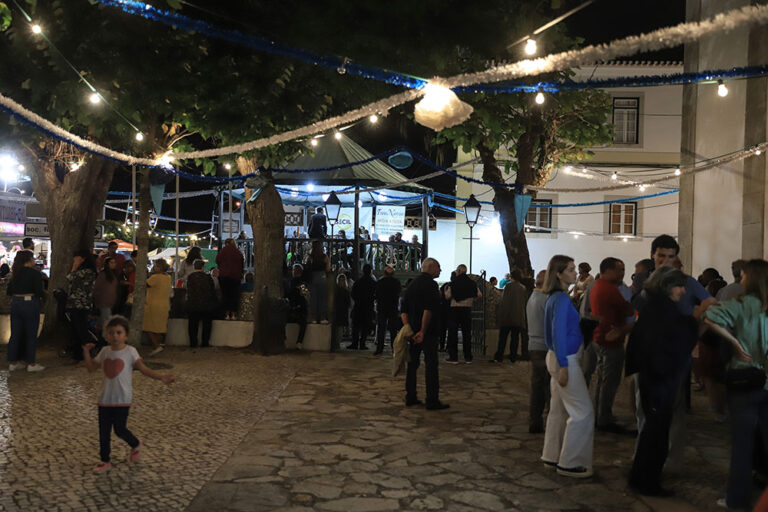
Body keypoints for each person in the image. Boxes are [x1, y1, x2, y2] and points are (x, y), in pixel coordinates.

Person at [625, 267, 699, 496]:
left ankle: (640, 477)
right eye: (678, 285)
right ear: (666, 285)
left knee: (652, 430)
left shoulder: (652, 304)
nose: (683, 290)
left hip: (654, 376)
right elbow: (672, 340)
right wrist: (695, 322)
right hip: (659, 378)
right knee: (656, 433)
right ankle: (647, 482)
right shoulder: (661, 308)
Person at [703, 259, 768, 509]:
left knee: (742, 445)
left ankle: (737, 500)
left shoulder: (741, 305)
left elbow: (710, 317)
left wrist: (735, 342)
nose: (740, 279)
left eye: (744, 276)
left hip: (745, 380)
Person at [82, 315, 175, 474]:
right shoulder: (104, 352)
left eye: (119, 332)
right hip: (104, 399)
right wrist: (86, 353)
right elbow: (91, 369)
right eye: (111, 333)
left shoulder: (130, 351)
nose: (115, 336)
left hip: (122, 399)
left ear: (126, 335)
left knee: (119, 429)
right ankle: (105, 461)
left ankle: (135, 444)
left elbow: (143, 369)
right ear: (107, 335)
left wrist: (161, 377)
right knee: (103, 433)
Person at [541, 255, 594, 479]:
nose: (575, 273)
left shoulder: (554, 298)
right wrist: (563, 365)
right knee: (583, 412)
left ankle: (552, 455)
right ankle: (570, 463)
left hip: (556, 356)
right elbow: (558, 333)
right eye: (570, 269)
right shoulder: (561, 300)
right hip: (566, 358)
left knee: (559, 410)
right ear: (559, 274)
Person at [589, 257, 635, 433]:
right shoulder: (609, 289)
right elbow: (628, 309)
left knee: (602, 380)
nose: (622, 273)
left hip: (601, 338)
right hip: (610, 339)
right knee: (609, 381)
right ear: (607, 270)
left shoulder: (597, 285)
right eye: (619, 269)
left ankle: (601, 414)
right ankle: (604, 418)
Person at [402, 258, 448, 410]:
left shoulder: (412, 284)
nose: (440, 271)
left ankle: (410, 396)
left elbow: (404, 311)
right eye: (439, 267)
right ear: (431, 267)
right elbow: (428, 310)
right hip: (427, 332)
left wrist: (408, 329)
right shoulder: (431, 285)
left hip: (413, 332)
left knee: (412, 364)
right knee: (431, 365)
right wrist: (422, 331)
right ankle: (432, 400)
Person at [6, 251, 45, 372]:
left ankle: (13, 362)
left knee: (15, 333)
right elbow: (39, 291)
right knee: (31, 334)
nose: (34, 260)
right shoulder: (35, 273)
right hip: (30, 303)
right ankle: (31, 363)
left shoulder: (15, 273)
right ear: (28, 259)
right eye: (32, 258)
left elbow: (9, 291)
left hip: (15, 303)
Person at [526, 270, 550, 433]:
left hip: (534, 345)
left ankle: (535, 420)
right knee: (549, 387)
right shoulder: (545, 299)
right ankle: (552, 422)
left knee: (538, 386)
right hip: (544, 346)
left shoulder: (533, 298)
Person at [66, 250, 97, 362]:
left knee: (80, 328)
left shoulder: (87, 272)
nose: (74, 260)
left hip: (80, 304)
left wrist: (75, 266)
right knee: (76, 328)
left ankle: (84, 352)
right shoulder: (86, 271)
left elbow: (70, 277)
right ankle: (78, 354)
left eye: (76, 258)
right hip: (77, 303)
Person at [446, 264, 481, 364]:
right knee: (467, 333)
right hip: (467, 310)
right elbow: (479, 295)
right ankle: (468, 357)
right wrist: (471, 299)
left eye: (457, 270)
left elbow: (448, 296)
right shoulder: (472, 283)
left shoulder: (453, 283)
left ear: (459, 271)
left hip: (455, 310)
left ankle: (454, 357)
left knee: (453, 334)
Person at [494, 269, 528, 363]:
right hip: (518, 317)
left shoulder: (508, 287)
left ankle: (499, 356)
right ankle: (513, 357)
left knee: (503, 338)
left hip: (507, 317)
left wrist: (500, 316)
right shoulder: (523, 288)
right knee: (515, 338)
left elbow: (503, 302)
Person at [143, 259, 171, 356]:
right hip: (164, 305)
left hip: (153, 305)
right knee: (159, 328)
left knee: (148, 327)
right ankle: (158, 345)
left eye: (155, 266)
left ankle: (156, 346)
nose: (154, 268)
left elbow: (145, 284)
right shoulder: (168, 277)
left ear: (159, 267)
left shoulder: (155, 277)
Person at [186, 259, 217, 348]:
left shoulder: (190, 277)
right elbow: (212, 291)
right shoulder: (208, 277)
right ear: (203, 267)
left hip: (193, 304)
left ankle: (193, 343)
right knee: (207, 325)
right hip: (206, 304)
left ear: (194, 267)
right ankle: (205, 342)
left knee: (193, 325)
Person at [374, 266, 401, 355]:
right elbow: (398, 293)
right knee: (393, 330)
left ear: (384, 273)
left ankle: (379, 348)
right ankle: (394, 349)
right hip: (392, 308)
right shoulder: (396, 282)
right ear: (393, 274)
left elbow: (376, 295)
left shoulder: (380, 282)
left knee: (381, 329)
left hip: (382, 308)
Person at [216, 238, 244, 320]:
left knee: (225, 295)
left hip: (224, 277)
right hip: (235, 277)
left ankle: (226, 313)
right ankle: (234, 314)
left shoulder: (223, 251)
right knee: (234, 296)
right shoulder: (238, 252)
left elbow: (217, 260)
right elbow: (242, 263)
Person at [349, 264, 376, 350]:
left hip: (358, 306)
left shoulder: (358, 282)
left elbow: (353, 294)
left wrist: (357, 300)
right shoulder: (373, 283)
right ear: (370, 271)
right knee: (365, 326)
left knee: (356, 326)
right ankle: (362, 344)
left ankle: (354, 343)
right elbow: (375, 295)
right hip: (368, 307)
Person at [306, 240, 330, 323]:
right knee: (322, 297)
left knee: (313, 298)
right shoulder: (324, 256)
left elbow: (307, 267)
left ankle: (314, 317)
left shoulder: (310, 257)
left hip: (312, 277)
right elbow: (328, 269)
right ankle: (322, 317)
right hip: (322, 277)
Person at [286, 264, 309, 348]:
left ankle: (288, 339)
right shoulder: (302, 282)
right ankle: (299, 342)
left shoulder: (293, 282)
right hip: (298, 308)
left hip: (297, 308)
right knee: (303, 323)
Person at [93, 256, 119, 326]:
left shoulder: (113, 274)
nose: (114, 264)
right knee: (106, 322)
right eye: (112, 262)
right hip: (103, 301)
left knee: (105, 321)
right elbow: (96, 287)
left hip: (111, 302)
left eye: (114, 262)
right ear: (107, 264)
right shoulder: (103, 274)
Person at [331, 273, 351, 352]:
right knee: (339, 328)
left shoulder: (336, 291)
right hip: (342, 311)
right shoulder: (345, 291)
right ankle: (337, 343)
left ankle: (336, 343)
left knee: (337, 328)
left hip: (338, 311)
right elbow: (348, 303)